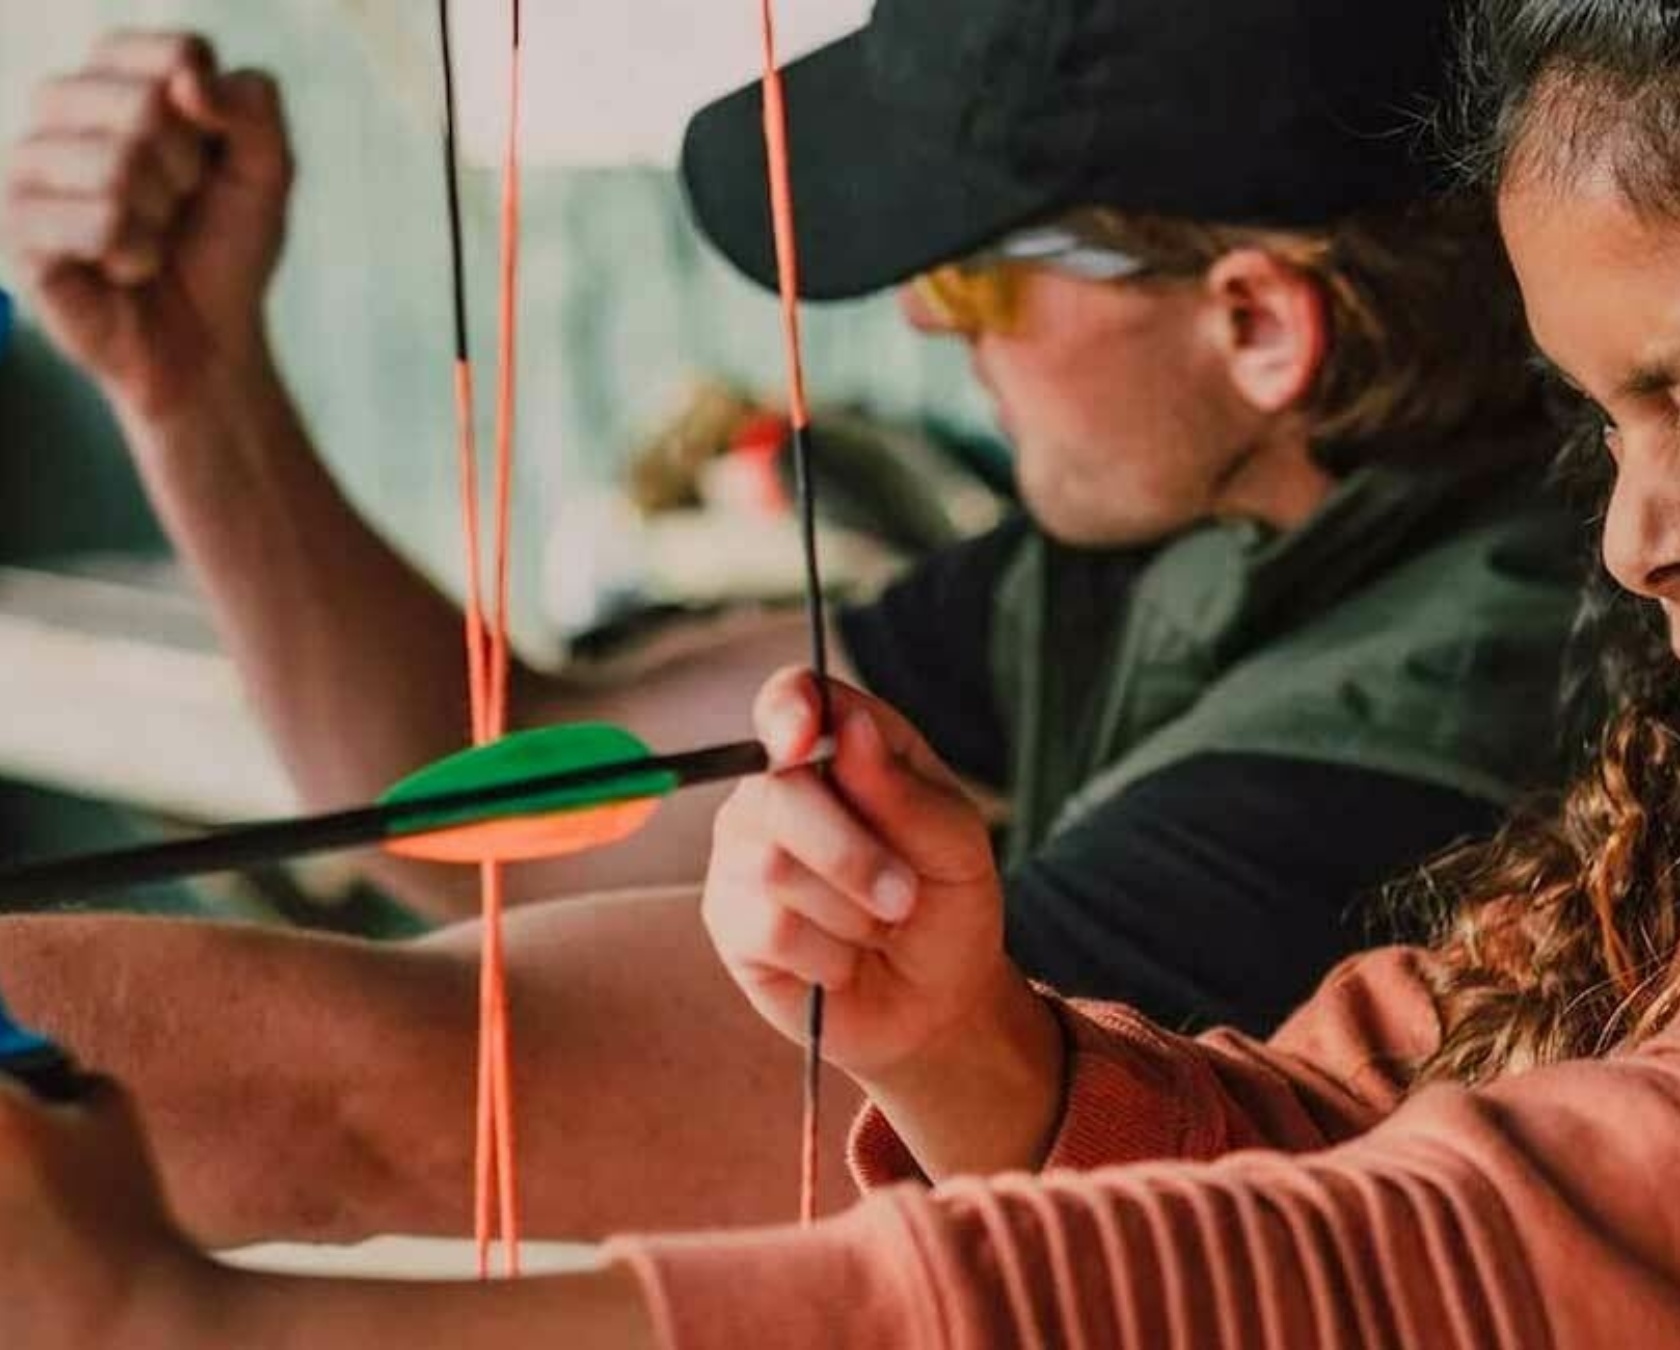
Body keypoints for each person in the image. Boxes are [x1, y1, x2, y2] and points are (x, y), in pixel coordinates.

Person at [10, 2, 1680, 1344]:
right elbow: (481, 783)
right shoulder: (1171, 540)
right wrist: (192, 381)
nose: (937, 332)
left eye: (974, 272)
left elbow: (1322, 1265)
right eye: (1608, 419)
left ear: (1258, 326)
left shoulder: (1413, 728)